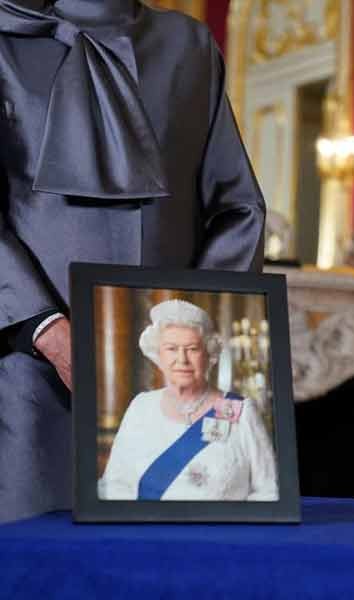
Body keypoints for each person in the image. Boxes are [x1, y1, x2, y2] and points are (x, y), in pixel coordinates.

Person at [0, 0, 265, 520]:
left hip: (166, 384)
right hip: (21, 370)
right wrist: (47, 331)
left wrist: (191, 333)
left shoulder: (188, 44)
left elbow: (237, 207)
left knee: (161, 558)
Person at [99, 300, 277, 501]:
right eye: (171, 349)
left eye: (192, 349)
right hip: (149, 522)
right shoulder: (141, 407)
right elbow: (114, 484)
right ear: (158, 355)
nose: (182, 359)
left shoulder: (241, 411)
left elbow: (268, 491)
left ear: (208, 354)